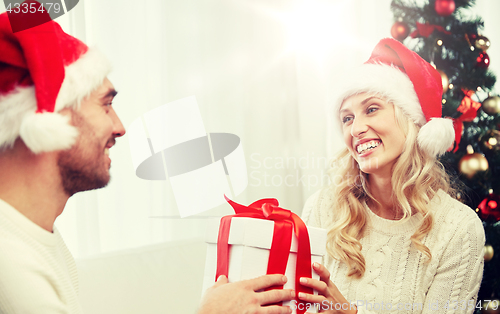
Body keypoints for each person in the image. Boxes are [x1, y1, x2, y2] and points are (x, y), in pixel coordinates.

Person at [0, 9, 293, 314]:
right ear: (50, 119)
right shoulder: (10, 264)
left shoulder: (37, 236)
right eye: (106, 105)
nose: (120, 127)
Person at [296, 38, 485, 314]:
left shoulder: (459, 229)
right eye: (347, 118)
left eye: (371, 109)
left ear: (410, 119)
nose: (356, 128)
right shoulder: (321, 208)